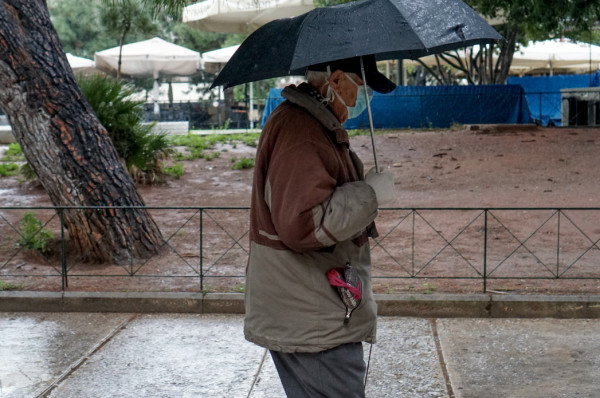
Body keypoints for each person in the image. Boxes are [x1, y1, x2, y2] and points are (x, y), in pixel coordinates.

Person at [245, 55, 397, 398]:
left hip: (310, 309)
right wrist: (368, 193)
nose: (363, 98)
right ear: (337, 80)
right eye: (362, 87)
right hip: (313, 318)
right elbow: (303, 225)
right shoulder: (302, 132)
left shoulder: (313, 124)